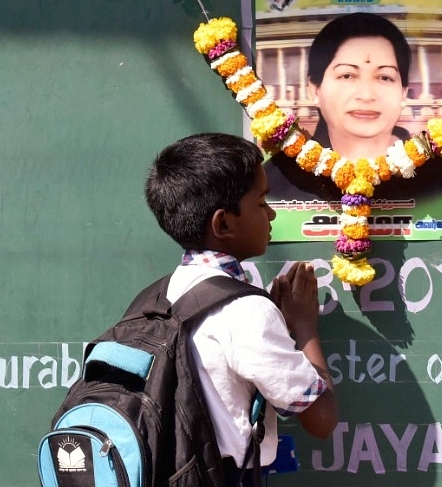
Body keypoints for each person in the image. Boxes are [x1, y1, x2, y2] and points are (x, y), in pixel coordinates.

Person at [144, 132, 338, 486]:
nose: (272, 214)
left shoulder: (158, 296)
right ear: (223, 224)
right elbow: (321, 419)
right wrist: (304, 327)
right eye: (262, 202)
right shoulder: (244, 311)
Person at [265, 12, 442, 201]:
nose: (366, 95)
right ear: (315, 89)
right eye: (347, 75)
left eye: (385, 77)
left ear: (403, 92)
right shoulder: (275, 181)